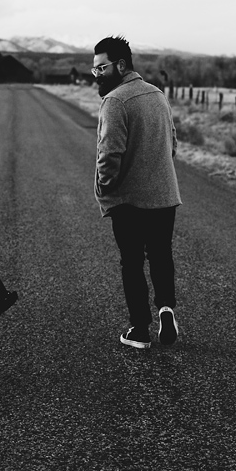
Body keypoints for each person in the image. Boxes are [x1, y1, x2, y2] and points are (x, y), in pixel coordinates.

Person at [92, 35, 183, 349]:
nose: (96, 75)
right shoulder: (157, 95)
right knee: (160, 256)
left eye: (101, 68)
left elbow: (109, 155)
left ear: (120, 65)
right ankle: (166, 310)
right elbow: (172, 145)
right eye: (94, 70)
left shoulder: (115, 101)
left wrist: (105, 186)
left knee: (131, 263)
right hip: (165, 196)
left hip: (130, 200)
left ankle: (140, 330)